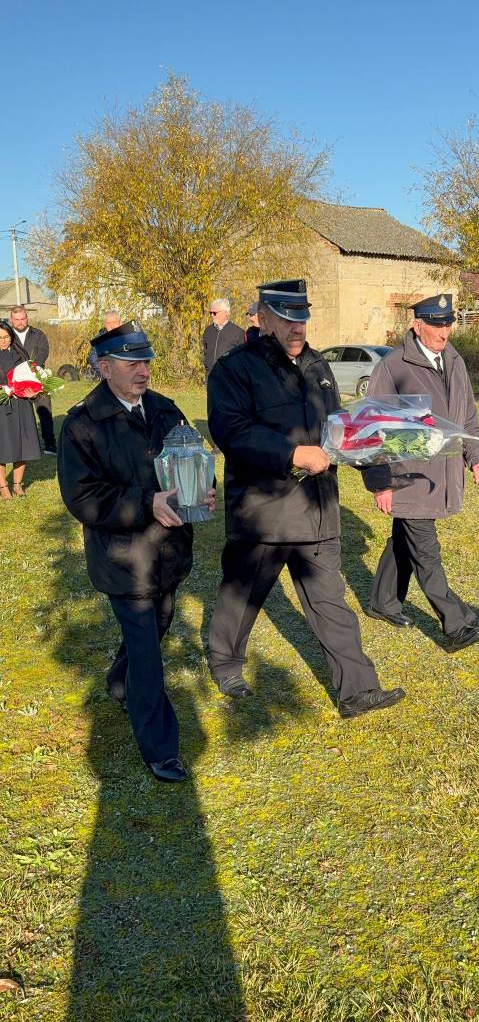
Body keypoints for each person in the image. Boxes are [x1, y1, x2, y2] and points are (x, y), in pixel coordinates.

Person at [207, 279, 405, 719]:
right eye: (287, 320)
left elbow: (341, 431)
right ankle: (225, 663)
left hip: (317, 509)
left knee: (330, 601)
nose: (298, 328)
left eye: (303, 319)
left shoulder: (318, 366)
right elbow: (230, 431)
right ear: (263, 319)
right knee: (242, 596)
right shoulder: (234, 369)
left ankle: (358, 690)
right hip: (264, 513)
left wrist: (379, 477)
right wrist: (292, 453)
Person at [57, 321, 215, 782]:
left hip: (169, 551)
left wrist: (203, 489)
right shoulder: (83, 424)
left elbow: (194, 460)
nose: (143, 371)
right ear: (105, 368)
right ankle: (160, 748)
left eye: (146, 362)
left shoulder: (165, 409)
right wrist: (147, 503)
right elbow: (82, 497)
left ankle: (117, 680)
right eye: (131, 364)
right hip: (124, 557)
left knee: (159, 624)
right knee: (147, 651)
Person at [362, 294, 479, 653]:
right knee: (426, 551)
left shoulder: (455, 361)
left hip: (442, 476)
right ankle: (456, 625)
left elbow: (467, 416)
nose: (443, 332)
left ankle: (383, 602)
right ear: (417, 326)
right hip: (408, 479)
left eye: (448, 324)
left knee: (405, 540)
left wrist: (476, 457)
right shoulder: (393, 366)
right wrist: (381, 483)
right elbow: (374, 428)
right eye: (436, 325)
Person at [0, 320, 42, 498]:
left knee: (23, 445)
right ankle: (3, 487)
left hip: (22, 405)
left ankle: (17, 484)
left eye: (6, 337)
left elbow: (34, 377)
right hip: (2, 407)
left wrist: (34, 392)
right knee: (2, 446)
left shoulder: (21, 354)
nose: (3, 340)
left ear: (11, 336)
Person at [9, 306, 57, 454]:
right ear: (11, 320)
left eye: (23, 319)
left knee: (44, 411)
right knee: (20, 415)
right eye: (16, 319)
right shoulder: (8, 337)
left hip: (39, 379)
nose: (20, 322)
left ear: (27, 318)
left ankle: (50, 444)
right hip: (17, 381)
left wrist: (32, 368)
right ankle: (23, 445)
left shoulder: (38, 334)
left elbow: (44, 351)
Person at [202, 299, 245, 376]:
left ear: (225, 313)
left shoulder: (238, 332)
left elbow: (243, 358)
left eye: (214, 313)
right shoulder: (208, 331)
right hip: (210, 376)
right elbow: (205, 352)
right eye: (210, 313)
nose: (212, 315)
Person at [87, 310, 122, 379]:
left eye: (114, 322)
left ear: (120, 322)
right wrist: (105, 374)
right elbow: (92, 359)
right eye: (109, 323)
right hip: (109, 378)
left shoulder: (128, 336)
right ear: (105, 324)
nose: (112, 326)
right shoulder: (99, 339)